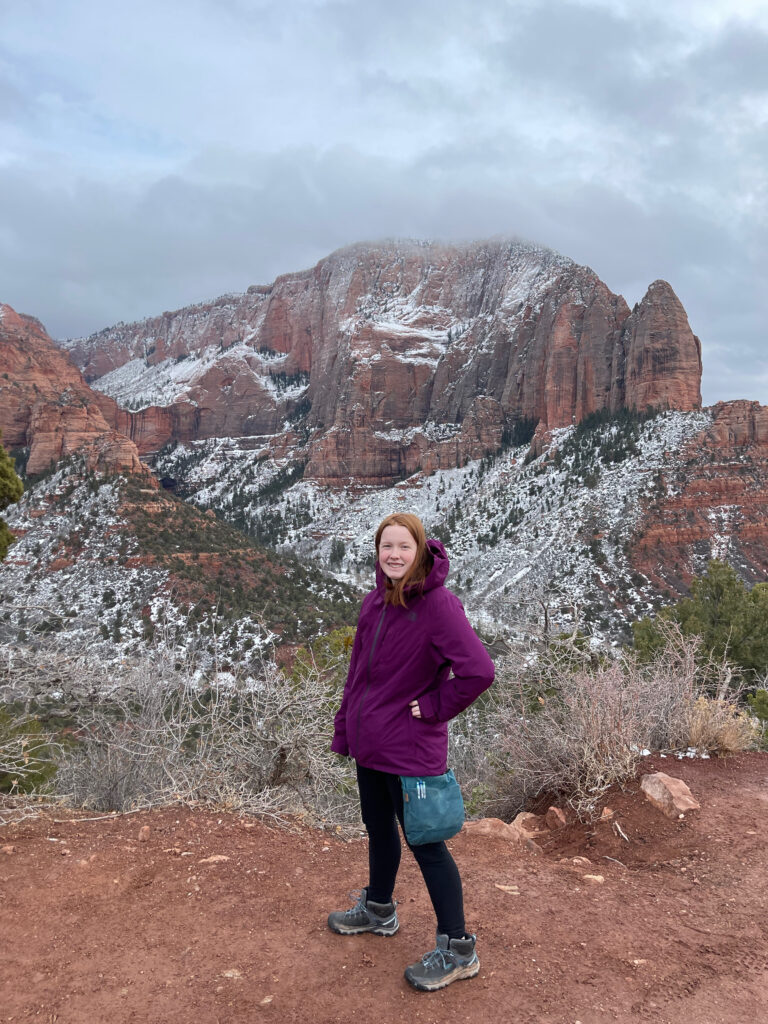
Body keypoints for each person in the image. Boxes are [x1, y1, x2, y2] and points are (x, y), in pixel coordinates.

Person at [328, 512, 495, 991]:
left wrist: (435, 705)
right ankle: (379, 909)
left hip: (411, 751)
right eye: (386, 546)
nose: (394, 554)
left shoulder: (439, 605)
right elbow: (357, 677)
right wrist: (346, 729)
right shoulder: (373, 604)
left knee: (426, 845)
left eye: (404, 546)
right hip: (372, 745)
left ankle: (459, 948)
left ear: (421, 549)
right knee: (379, 830)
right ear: (378, 552)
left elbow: (479, 671)